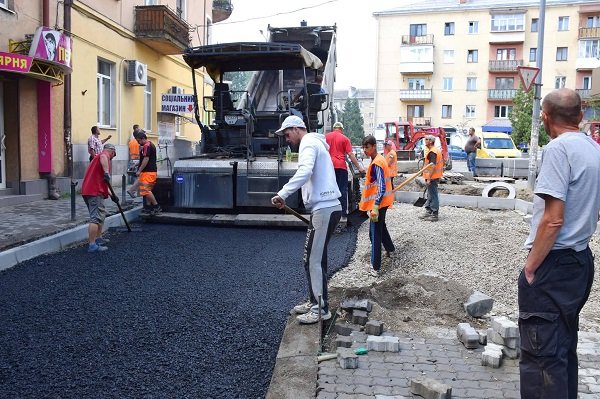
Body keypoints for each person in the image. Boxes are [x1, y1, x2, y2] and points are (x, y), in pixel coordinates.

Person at [519, 88, 600, 399]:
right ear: (580, 116)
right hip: (580, 261)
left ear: (545, 117)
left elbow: (553, 220)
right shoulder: (593, 149)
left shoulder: (557, 150)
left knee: (542, 358)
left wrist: (530, 268)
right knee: (563, 349)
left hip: (554, 264)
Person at [271, 115, 342, 325]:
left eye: (287, 134)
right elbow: (309, 176)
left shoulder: (308, 143)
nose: (287, 139)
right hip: (325, 208)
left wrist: (283, 193)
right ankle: (315, 300)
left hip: (325, 209)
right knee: (313, 258)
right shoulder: (314, 142)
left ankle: (320, 309)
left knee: (313, 259)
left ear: (295, 129)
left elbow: (305, 171)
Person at [359, 135, 395, 278]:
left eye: (367, 147)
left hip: (379, 204)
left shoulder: (378, 163)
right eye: (364, 147)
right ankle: (390, 249)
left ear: (374, 146)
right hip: (383, 202)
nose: (365, 150)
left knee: (374, 233)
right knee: (381, 227)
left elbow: (380, 186)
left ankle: (375, 267)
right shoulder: (378, 160)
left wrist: (375, 206)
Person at [325, 121, 365, 223]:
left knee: (329, 190)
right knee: (342, 190)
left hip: (329, 167)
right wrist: (359, 167)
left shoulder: (326, 137)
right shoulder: (345, 139)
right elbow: (351, 155)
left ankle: (329, 212)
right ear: (341, 129)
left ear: (334, 128)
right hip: (341, 167)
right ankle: (342, 214)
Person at [81, 143, 118, 253]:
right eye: (114, 154)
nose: (113, 157)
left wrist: (112, 195)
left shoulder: (96, 160)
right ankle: (92, 245)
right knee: (96, 217)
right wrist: (107, 172)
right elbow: (104, 156)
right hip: (94, 191)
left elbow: (102, 181)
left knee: (100, 215)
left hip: (90, 190)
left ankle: (98, 238)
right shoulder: (104, 155)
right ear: (111, 151)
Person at [136, 131, 161, 215]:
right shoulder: (149, 145)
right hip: (150, 171)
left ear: (143, 139)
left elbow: (146, 159)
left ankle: (156, 206)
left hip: (148, 172)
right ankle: (148, 208)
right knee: (147, 190)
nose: (138, 143)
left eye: (138, 141)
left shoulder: (147, 146)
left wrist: (139, 170)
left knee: (146, 190)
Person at [419, 135, 443, 222]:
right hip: (433, 176)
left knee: (433, 194)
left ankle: (434, 214)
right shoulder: (434, 150)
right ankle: (428, 211)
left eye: (426, 139)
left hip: (432, 177)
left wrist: (429, 178)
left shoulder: (433, 151)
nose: (425, 141)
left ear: (431, 141)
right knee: (430, 194)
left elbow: (432, 166)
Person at [127, 125, 141, 192]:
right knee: (138, 175)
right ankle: (136, 190)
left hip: (132, 159)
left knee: (132, 174)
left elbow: (129, 150)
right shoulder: (139, 142)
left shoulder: (131, 142)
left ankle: (132, 186)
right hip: (138, 159)